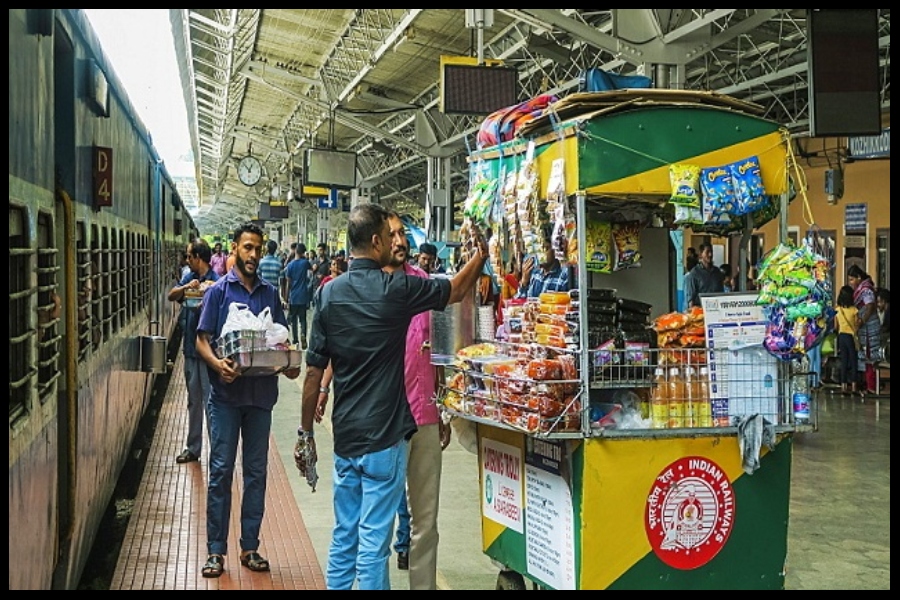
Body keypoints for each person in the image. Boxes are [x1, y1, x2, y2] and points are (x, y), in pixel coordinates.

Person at [296, 203, 488, 590]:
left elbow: (314, 371)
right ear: (376, 241)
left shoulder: (329, 294)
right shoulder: (396, 290)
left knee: (345, 533)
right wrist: (481, 253)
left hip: (347, 436)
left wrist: (305, 433)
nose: (396, 241)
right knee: (373, 544)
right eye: (390, 235)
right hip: (385, 436)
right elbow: (456, 289)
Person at [195, 222, 300, 578]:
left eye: (257, 248)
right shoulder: (219, 293)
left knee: (256, 473)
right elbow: (201, 340)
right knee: (221, 470)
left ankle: (250, 547)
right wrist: (216, 364)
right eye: (247, 248)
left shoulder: (270, 295)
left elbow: (280, 340)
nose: (253, 255)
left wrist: (287, 363)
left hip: (260, 398)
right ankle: (215, 551)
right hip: (225, 397)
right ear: (235, 250)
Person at [168, 238, 219, 465]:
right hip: (190, 349)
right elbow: (172, 294)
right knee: (194, 400)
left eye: (190, 257)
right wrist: (187, 287)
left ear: (199, 257)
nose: (187, 260)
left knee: (211, 402)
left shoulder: (217, 282)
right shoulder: (190, 278)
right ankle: (193, 447)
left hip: (209, 353)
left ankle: (216, 449)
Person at [848, 265, 880, 393]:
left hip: (869, 329)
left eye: (852, 279)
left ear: (859, 277)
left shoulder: (866, 290)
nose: (851, 282)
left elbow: (870, 306)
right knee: (866, 357)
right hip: (864, 328)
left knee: (870, 357)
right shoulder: (861, 289)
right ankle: (868, 385)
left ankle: (872, 387)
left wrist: (862, 320)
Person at [516, 233, 570, 299]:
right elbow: (521, 303)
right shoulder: (535, 273)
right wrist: (524, 282)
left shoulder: (564, 276)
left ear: (554, 250)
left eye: (546, 249)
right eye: (538, 250)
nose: (540, 254)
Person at [282, 243, 314, 349]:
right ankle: (303, 334)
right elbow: (311, 273)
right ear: (304, 252)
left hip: (294, 296)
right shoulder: (306, 263)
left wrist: (286, 299)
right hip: (303, 296)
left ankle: (295, 340)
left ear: (295, 251)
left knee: (294, 320)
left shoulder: (290, 265)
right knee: (303, 319)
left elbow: (288, 283)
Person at [834, 285, 860, 396]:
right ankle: (854, 386)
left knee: (844, 361)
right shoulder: (854, 310)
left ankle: (843, 386)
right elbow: (857, 324)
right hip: (850, 337)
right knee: (854, 361)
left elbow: (836, 326)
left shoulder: (837, 310)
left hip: (841, 337)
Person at [684, 243, 724, 309]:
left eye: (711, 252)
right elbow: (690, 299)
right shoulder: (694, 273)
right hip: (701, 312)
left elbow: (722, 294)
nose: (710, 255)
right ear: (701, 254)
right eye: (707, 252)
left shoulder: (717, 272)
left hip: (716, 311)